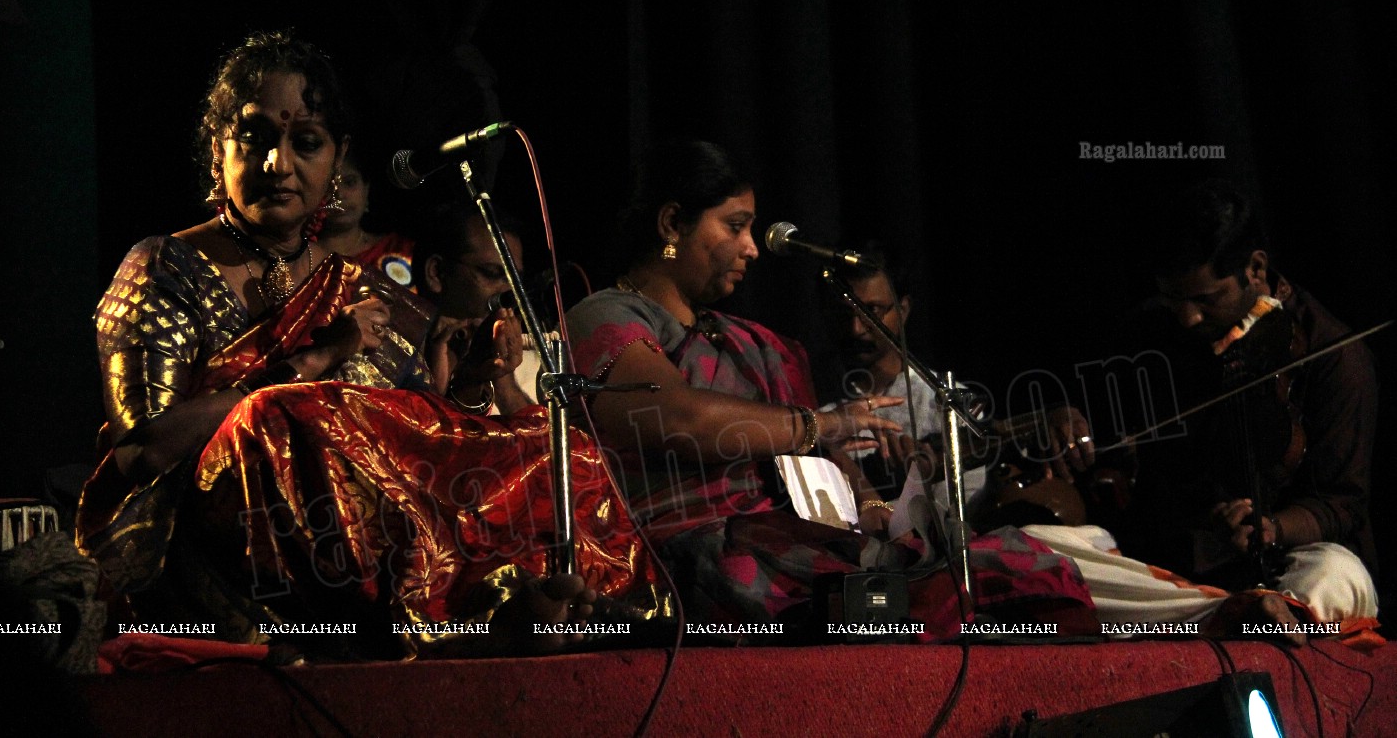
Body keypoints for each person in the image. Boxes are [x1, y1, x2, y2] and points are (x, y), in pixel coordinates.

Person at [75, 31, 665, 659]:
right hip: (204, 544)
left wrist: (466, 384)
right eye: (254, 139)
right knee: (277, 416)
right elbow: (141, 454)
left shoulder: (356, 283)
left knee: (556, 445)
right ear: (216, 146)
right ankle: (441, 627)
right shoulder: (164, 265)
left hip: (351, 526)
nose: (279, 164)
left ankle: (578, 609)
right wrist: (310, 362)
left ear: (337, 159)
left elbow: (395, 440)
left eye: (306, 143)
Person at [566, 139, 1095, 638]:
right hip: (698, 555)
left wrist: (878, 512)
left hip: (792, 537)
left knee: (1019, 570)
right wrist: (822, 423)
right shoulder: (607, 315)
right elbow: (677, 418)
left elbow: (821, 459)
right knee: (916, 598)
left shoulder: (751, 344)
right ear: (672, 223)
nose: (752, 248)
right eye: (735, 226)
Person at [1029, 179, 1379, 641]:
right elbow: (1083, 388)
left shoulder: (1333, 356)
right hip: (1177, 566)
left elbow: (1342, 504)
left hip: (1290, 560)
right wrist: (1065, 410)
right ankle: (1222, 617)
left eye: (1206, 300)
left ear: (1256, 268)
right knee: (1036, 547)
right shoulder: (1158, 331)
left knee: (1334, 573)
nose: (1188, 318)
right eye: (1174, 300)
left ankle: (1247, 613)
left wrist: (1270, 527)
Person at [818, 244, 989, 514]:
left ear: (903, 309)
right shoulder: (812, 397)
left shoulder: (947, 400)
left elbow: (970, 504)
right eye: (844, 313)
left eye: (871, 310)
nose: (856, 328)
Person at [415, 202, 541, 415]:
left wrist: (505, 385)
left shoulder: (531, 364)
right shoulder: (392, 353)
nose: (510, 293)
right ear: (436, 273)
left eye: (516, 282)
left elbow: (548, 448)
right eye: (492, 273)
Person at [314, 149, 416, 290]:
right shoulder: (299, 263)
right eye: (328, 185)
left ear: (366, 189)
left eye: (349, 182)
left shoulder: (398, 250)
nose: (339, 194)